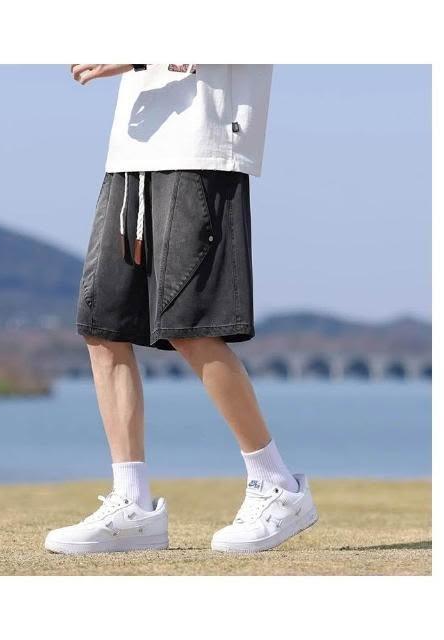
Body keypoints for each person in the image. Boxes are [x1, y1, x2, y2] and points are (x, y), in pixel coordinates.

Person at [45, 64, 318, 555]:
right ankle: (132, 505)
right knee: (104, 326)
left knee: (193, 326)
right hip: (132, 152)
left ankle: (278, 485)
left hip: (202, 145)